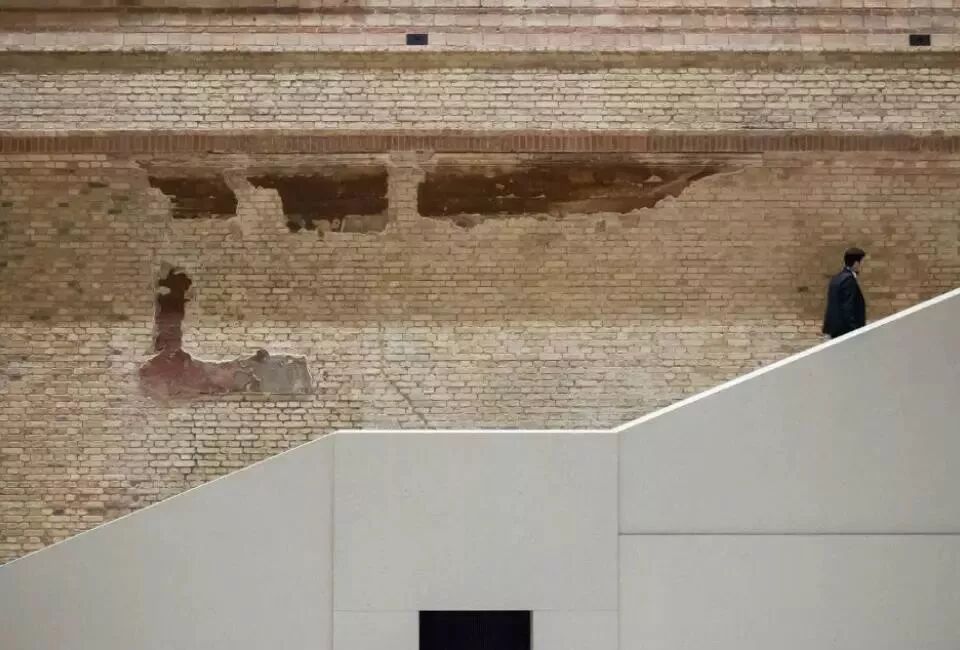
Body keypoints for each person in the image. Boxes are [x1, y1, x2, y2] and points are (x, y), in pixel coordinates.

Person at [822, 247, 867, 339]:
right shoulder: (848, 280)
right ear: (856, 263)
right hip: (845, 331)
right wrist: (855, 330)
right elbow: (848, 307)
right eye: (861, 262)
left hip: (835, 329)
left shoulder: (836, 278)